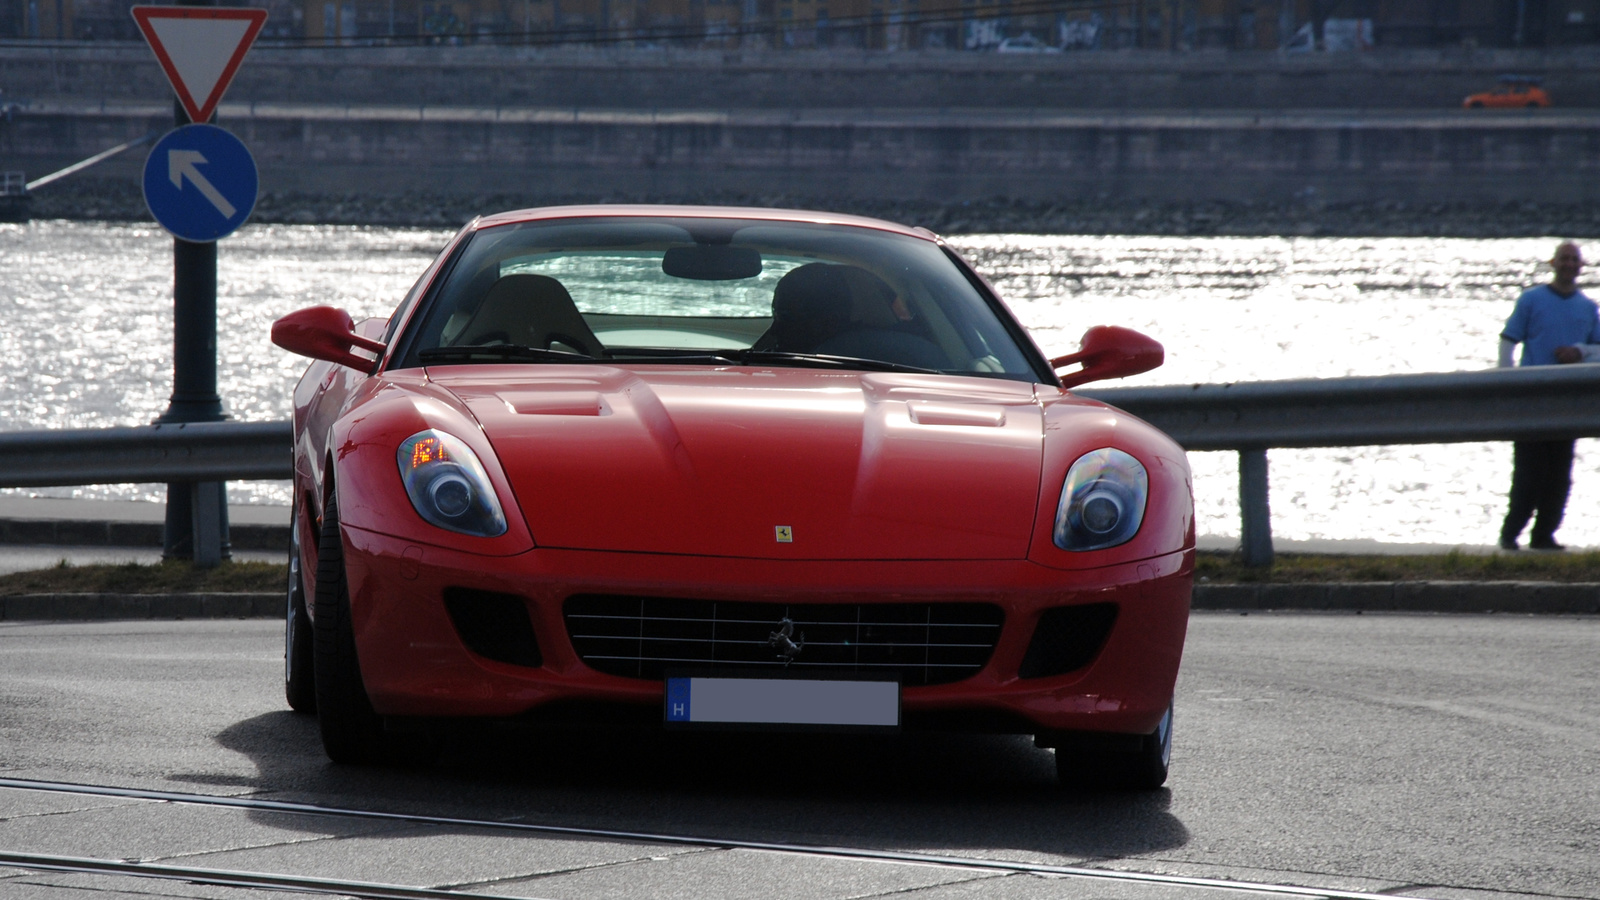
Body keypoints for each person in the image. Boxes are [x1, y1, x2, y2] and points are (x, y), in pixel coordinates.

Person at [1497, 240, 1600, 550]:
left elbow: (1597, 350)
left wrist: (1578, 351)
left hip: (1567, 404)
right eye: (1564, 259)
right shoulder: (1531, 300)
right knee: (1529, 473)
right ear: (1553, 263)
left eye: (1574, 260)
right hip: (1532, 403)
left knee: (1559, 476)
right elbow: (1508, 339)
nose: (1569, 264)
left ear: (1581, 267)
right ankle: (1510, 534)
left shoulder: (1588, 307)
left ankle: (1544, 536)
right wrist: (1507, 381)